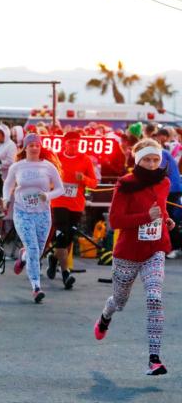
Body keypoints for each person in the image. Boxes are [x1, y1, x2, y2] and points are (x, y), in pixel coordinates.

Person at [94, 139, 173, 376]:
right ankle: (105, 316)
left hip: (154, 250)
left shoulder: (164, 182)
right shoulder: (125, 185)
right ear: (138, 160)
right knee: (119, 302)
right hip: (127, 253)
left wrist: (166, 219)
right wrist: (145, 216)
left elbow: (160, 208)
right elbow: (115, 221)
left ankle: (154, 359)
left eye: (155, 160)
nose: (151, 164)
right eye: (147, 160)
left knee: (154, 298)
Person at [2, 133, 64, 303]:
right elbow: (8, 185)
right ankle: (36, 287)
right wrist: (6, 199)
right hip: (22, 212)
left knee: (37, 251)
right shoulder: (18, 166)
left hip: (43, 214)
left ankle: (23, 257)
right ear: (26, 147)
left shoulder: (48, 166)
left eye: (37, 145)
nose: (35, 148)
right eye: (31, 145)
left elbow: (61, 189)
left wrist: (48, 195)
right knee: (33, 248)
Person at [48, 131, 98, 289]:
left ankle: (54, 259)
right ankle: (65, 274)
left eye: (76, 143)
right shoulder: (57, 159)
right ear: (65, 144)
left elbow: (94, 183)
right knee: (62, 235)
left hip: (76, 205)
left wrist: (83, 178)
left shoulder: (85, 160)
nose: (74, 146)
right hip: (58, 202)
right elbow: (47, 178)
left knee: (68, 238)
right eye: (71, 143)